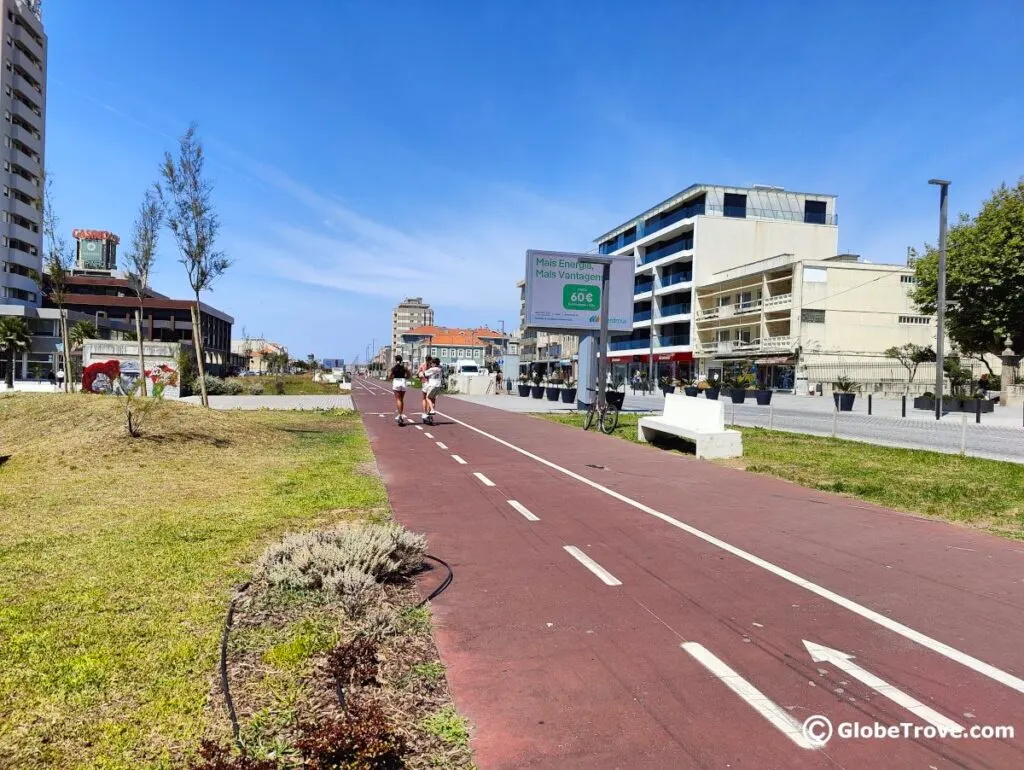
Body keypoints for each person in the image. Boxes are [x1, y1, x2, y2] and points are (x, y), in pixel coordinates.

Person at [421, 357, 443, 424]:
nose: (431, 364)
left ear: (434, 364)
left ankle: (432, 410)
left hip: (432, 385)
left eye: (432, 363)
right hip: (438, 386)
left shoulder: (432, 369)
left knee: (427, 397)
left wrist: (421, 374)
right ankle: (430, 415)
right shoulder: (440, 369)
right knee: (433, 399)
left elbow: (424, 374)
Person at [390, 356, 410, 425]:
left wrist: (393, 376)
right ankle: (401, 414)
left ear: (396, 360)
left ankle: (400, 415)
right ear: (401, 360)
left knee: (398, 399)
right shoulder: (404, 367)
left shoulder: (394, 368)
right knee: (401, 399)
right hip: (403, 382)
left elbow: (390, 376)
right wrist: (405, 377)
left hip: (396, 382)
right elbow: (409, 375)